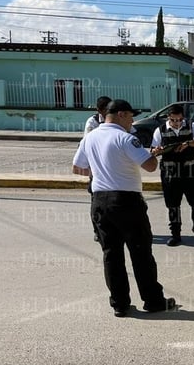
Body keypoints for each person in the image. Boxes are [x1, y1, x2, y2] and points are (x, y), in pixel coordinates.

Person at [72, 99, 176, 318]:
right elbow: (150, 166)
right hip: (127, 201)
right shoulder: (125, 138)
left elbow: (78, 168)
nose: (132, 120)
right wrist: (151, 156)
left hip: (100, 201)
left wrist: (103, 172)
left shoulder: (90, 137)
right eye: (130, 116)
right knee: (141, 253)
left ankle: (119, 304)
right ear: (120, 114)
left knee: (111, 254)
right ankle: (153, 300)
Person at [150, 104, 194, 246]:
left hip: (190, 173)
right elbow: (152, 150)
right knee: (173, 205)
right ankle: (175, 234)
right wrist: (157, 151)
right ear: (168, 118)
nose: (177, 123)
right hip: (170, 174)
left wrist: (189, 143)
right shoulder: (160, 130)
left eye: (180, 120)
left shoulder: (191, 125)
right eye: (174, 120)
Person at [84, 96, 112, 241]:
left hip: (112, 167)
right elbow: (88, 144)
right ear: (99, 110)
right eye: (105, 110)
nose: (108, 112)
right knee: (97, 201)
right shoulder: (93, 121)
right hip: (96, 168)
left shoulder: (116, 118)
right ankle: (97, 230)